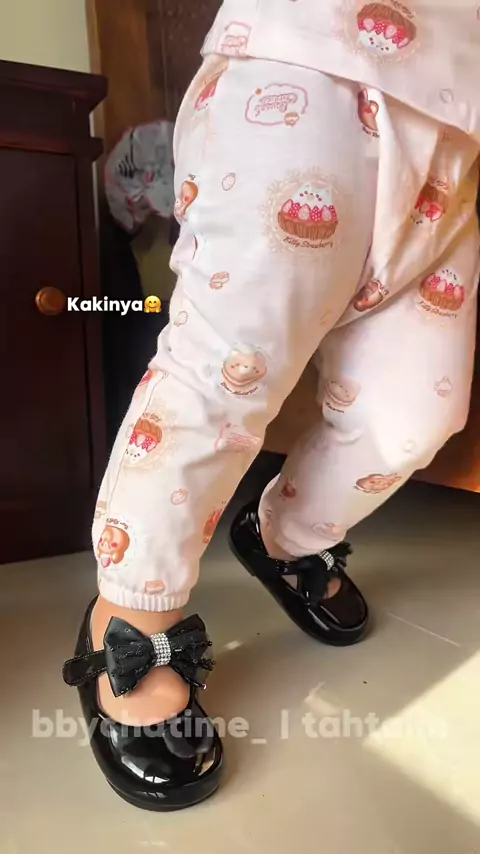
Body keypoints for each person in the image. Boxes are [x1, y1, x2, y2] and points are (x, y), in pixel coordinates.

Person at [63, 0, 480, 811]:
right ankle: (130, 610)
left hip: (451, 133)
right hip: (307, 68)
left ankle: (285, 535)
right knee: (228, 373)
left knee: (414, 416)